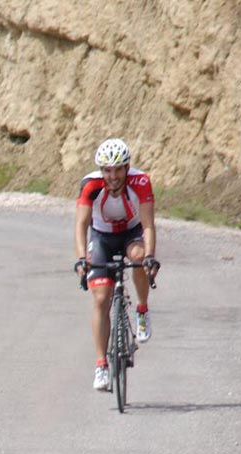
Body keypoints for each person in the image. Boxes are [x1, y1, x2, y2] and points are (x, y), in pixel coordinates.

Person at [74, 138, 161, 390]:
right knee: (101, 298)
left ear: (127, 167)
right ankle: (101, 365)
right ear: (101, 170)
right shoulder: (90, 185)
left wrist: (150, 256)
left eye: (118, 169)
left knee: (139, 258)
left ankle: (142, 310)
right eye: (107, 170)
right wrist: (81, 259)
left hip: (131, 234)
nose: (112, 176)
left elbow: (148, 225)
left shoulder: (140, 182)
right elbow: (81, 226)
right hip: (101, 237)